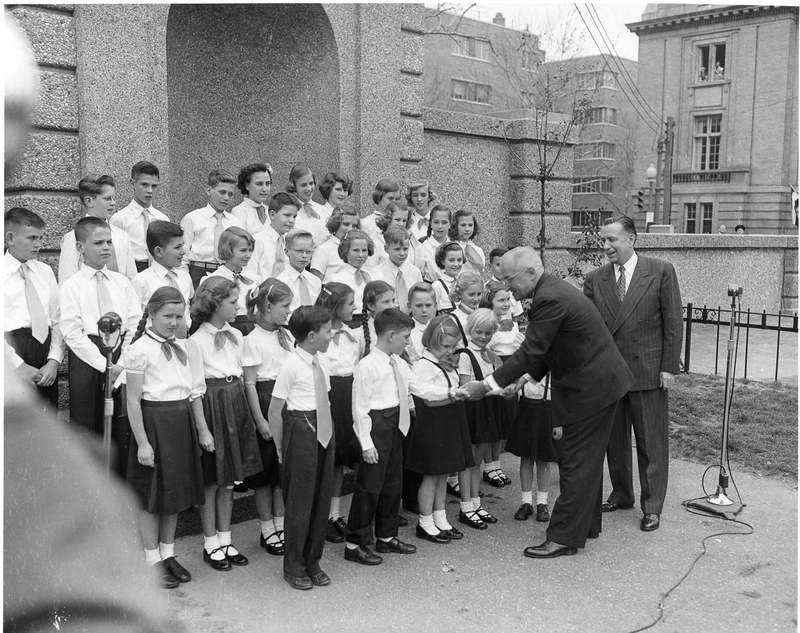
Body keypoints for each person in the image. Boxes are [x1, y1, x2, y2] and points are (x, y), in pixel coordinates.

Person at [463, 246, 635, 559]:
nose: (508, 288)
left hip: (590, 389)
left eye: (509, 280)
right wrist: (524, 380)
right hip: (598, 384)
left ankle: (564, 537)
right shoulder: (552, 290)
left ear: (530, 272)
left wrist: (487, 384)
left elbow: (530, 351)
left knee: (575, 461)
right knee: (587, 460)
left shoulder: (549, 297)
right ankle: (585, 526)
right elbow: (549, 349)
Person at [583, 215, 683, 533]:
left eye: (612, 239)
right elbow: (587, 329)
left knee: (651, 442)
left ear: (632, 239)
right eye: (603, 240)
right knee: (615, 439)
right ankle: (622, 493)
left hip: (648, 370)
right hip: (611, 374)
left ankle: (652, 506)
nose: (606, 246)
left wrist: (668, 366)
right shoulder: (595, 279)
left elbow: (673, 322)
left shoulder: (660, 270)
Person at [345, 308, 465, 565]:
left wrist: (453, 393)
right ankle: (355, 542)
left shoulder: (398, 363)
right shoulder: (367, 366)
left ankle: (386, 537)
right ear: (390, 335)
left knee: (392, 484)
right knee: (370, 487)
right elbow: (359, 408)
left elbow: (420, 388)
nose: (409, 342)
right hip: (376, 425)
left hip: (396, 424)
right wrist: (366, 443)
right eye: (405, 336)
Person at [125, 287, 205, 589]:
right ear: (152, 314)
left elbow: (191, 390)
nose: (174, 322)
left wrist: (197, 429)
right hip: (154, 423)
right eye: (167, 316)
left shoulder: (183, 346)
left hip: (179, 422)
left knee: (174, 494)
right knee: (152, 497)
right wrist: (143, 442)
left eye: (178, 316)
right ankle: (151, 559)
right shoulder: (139, 350)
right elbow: (133, 401)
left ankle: (168, 553)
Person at [188, 275, 263, 572]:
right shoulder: (195, 341)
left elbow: (246, 378)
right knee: (212, 480)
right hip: (212, 404)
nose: (237, 307)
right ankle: (210, 542)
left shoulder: (237, 335)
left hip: (235, 404)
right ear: (215, 304)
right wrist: (203, 429)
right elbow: (195, 389)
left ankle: (226, 537)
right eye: (232, 302)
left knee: (231, 479)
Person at [60, 216, 141, 477]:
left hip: (120, 355)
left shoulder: (122, 283)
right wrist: (104, 365)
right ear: (81, 248)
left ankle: (119, 483)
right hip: (88, 358)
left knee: (121, 423)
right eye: (98, 242)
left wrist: (121, 363)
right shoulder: (72, 286)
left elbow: (133, 324)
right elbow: (72, 332)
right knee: (87, 422)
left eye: (109, 241)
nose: (106, 247)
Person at [267, 305, 336, 590]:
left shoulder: (323, 362)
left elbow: (325, 400)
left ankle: (313, 560)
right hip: (301, 429)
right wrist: (282, 448)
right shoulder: (291, 366)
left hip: (325, 427)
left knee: (322, 498)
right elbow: (274, 411)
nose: (332, 334)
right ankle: (293, 565)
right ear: (311, 335)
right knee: (300, 501)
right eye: (328, 330)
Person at [406, 314, 473, 544]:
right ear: (432, 342)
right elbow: (430, 400)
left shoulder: (443, 363)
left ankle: (441, 518)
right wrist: (456, 395)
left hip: (448, 421)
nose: (450, 350)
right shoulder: (423, 366)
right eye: (446, 346)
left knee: (443, 473)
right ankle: (425, 522)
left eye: (453, 346)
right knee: (431, 475)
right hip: (432, 423)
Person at [242, 279, 293, 557]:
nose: (288, 311)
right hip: (265, 401)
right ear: (268, 306)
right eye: (284, 306)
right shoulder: (252, 340)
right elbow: (250, 384)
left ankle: (281, 524)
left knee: (280, 471)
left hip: (286, 403)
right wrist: (260, 420)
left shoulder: (286, 336)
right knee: (264, 476)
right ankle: (266, 529)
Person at [315, 282, 364, 544]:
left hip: (350, 394)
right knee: (329, 459)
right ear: (335, 307)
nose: (354, 308)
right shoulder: (319, 335)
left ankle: (335, 515)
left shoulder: (352, 334)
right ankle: (322, 517)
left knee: (343, 459)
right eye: (349, 303)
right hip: (329, 396)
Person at [4, 207, 64, 409]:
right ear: (10, 238)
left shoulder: (44, 272)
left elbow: (57, 319)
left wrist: (54, 361)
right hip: (11, 354)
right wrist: (17, 365)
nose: (38, 244)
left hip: (44, 354)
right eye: (31, 238)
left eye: (41, 237)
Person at [457, 308, 507, 530]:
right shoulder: (465, 356)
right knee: (470, 460)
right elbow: (467, 388)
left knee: (478, 459)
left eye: (488, 333)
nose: (483, 337)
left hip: (487, 409)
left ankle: (475, 502)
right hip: (473, 410)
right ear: (470, 330)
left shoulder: (489, 354)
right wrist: (498, 391)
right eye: (479, 332)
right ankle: (465, 505)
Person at [59, 174, 138, 284]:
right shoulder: (73, 237)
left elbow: (132, 278)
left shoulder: (122, 236)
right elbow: (66, 278)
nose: (113, 203)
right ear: (89, 201)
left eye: (113, 198)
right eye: (107, 198)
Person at [505, 373, 558, 523]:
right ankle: (526, 502)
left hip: (546, 409)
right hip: (526, 408)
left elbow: (560, 394)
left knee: (543, 459)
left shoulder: (552, 362)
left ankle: (542, 502)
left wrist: (559, 422)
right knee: (526, 458)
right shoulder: (527, 360)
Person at [180, 169, 243, 289]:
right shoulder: (193, 218)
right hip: (199, 271)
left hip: (226, 273)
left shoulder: (235, 222)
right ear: (209, 190)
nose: (226, 198)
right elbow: (183, 254)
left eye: (230, 194)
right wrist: (185, 281)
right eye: (222, 192)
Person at [131, 220, 194, 336]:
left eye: (183, 245)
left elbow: (188, 308)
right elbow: (135, 320)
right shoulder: (141, 281)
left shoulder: (185, 277)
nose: (183, 252)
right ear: (159, 252)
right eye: (177, 247)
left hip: (184, 341)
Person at [110, 161, 169, 272]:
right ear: (132, 183)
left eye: (154, 186)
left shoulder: (163, 219)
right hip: (132, 268)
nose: (150, 191)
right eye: (144, 185)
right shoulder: (120, 219)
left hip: (159, 269)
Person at [207, 227, 259, 334]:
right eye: (243, 250)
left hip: (253, 328)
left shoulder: (255, 278)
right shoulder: (214, 279)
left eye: (250, 250)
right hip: (228, 328)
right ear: (228, 250)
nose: (248, 255)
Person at [248, 191, 300, 280]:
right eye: (287, 215)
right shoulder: (257, 241)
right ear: (272, 215)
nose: (292, 220)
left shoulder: (292, 243)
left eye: (294, 216)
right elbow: (250, 273)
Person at [370, 226, 423, 313]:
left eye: (405, 249)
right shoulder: (376, 274)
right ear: (386, 249)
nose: (402, 253)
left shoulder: (415, 272)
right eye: (397, 249)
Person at [328, 229, 375, 325]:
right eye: (356, 250)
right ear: (345, 252)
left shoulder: (373, 276)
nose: (361, 255)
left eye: (364, 250)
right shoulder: (337, 279)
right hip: (348, 324)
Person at [276, 228, 322, 315]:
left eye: (308, 252)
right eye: (299, 251)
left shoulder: (315, 281)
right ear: (286, 251)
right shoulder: (281, 282)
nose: (304, 256)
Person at [310, 204, 360, 281]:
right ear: (336, 224)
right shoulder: (324, 250)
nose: (350, 229)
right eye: (346, 224)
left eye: (354, 226)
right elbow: (315, 283)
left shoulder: (360, 249)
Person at [285, 163, 328, 244]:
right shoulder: (288, 211)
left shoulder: (323, 211)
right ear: (294, 186)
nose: (309, 188)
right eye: (303, 185)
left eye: (311, 183)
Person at [231, 162, 274, 236]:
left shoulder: (269, 211)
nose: (265, 189)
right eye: (259, 184)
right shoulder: (240, 211)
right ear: (247, 185)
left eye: (267, 184)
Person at [415, 204, 451, 283]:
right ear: (430, 223)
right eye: (436, 222)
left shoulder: (454, 247)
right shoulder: (422, 248)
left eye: (444, 222)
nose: (440, 226)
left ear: (450, 224)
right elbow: (417, 278)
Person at [448, 271, 483, 347]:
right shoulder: (454, 319)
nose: (476, 299)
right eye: (471, 294)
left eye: (479, 294)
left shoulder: (481, 314)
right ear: (460, 293)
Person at [405, 282, 437, 365]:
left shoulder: (438, 329)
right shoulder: (406, 333)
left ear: (435, 305)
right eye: (419, 305)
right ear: (409, 306)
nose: (424, 310)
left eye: (428, 305)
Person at [449, 209, 485, 277]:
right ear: (455, 226)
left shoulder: (478, 250)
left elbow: (481, 273)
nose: (467, 229)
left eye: (470, 225)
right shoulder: (450, 247)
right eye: (463, 225)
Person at [433, 241, 464, 314]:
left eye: (459, 260)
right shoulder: (437, 286)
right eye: (451, 260)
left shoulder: (465, 282)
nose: (456, 264)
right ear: (443, 261)